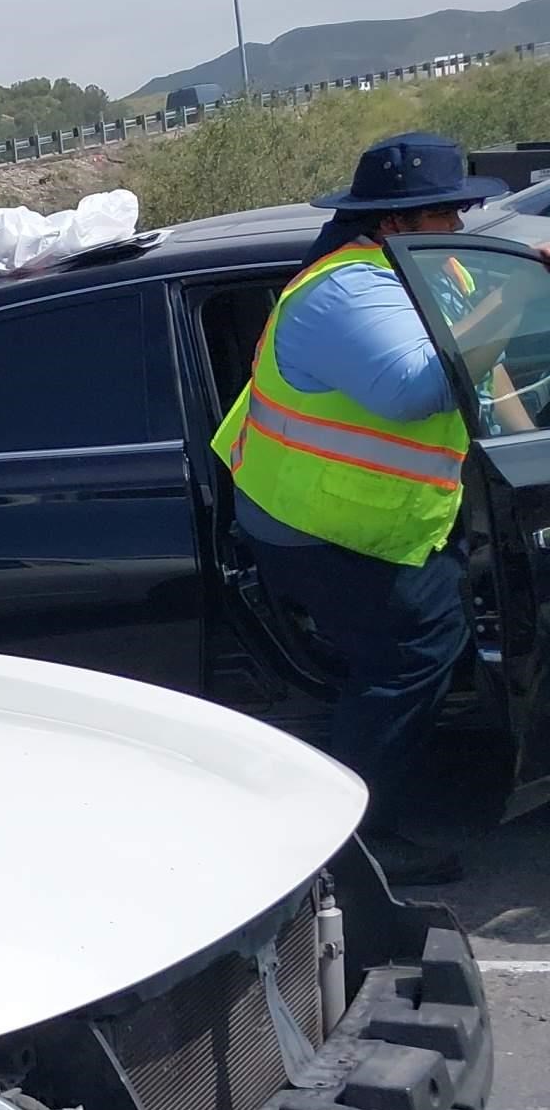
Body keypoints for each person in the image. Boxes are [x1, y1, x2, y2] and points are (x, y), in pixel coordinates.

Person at [212, 132, 523, 886]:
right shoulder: (345, 290)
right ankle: (356, 843)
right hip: (320, 523)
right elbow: (417, 388)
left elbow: (489, 371)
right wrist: (512, 294)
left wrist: (526, 445)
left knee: (429, 642)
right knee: (406, 657)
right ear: (392, 222)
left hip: (380, 514)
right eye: (447, 212)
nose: (460, 225)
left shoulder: (429, 267)